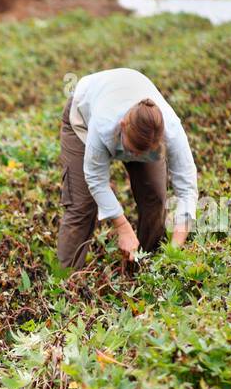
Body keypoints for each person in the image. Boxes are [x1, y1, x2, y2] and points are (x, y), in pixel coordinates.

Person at [58, 68, 198, 269]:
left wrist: (176, 246)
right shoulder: (103, 123)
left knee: (155, 197)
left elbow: (186, 189)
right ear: (122, 126)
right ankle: (66, 284)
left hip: (136, 121)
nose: (137, 159)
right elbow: (96, 179)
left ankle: (145, 269)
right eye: (132, 151)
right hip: (83, 118)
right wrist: (122, 226)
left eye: (146, 153)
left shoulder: (171, 129)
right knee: (81, 207)